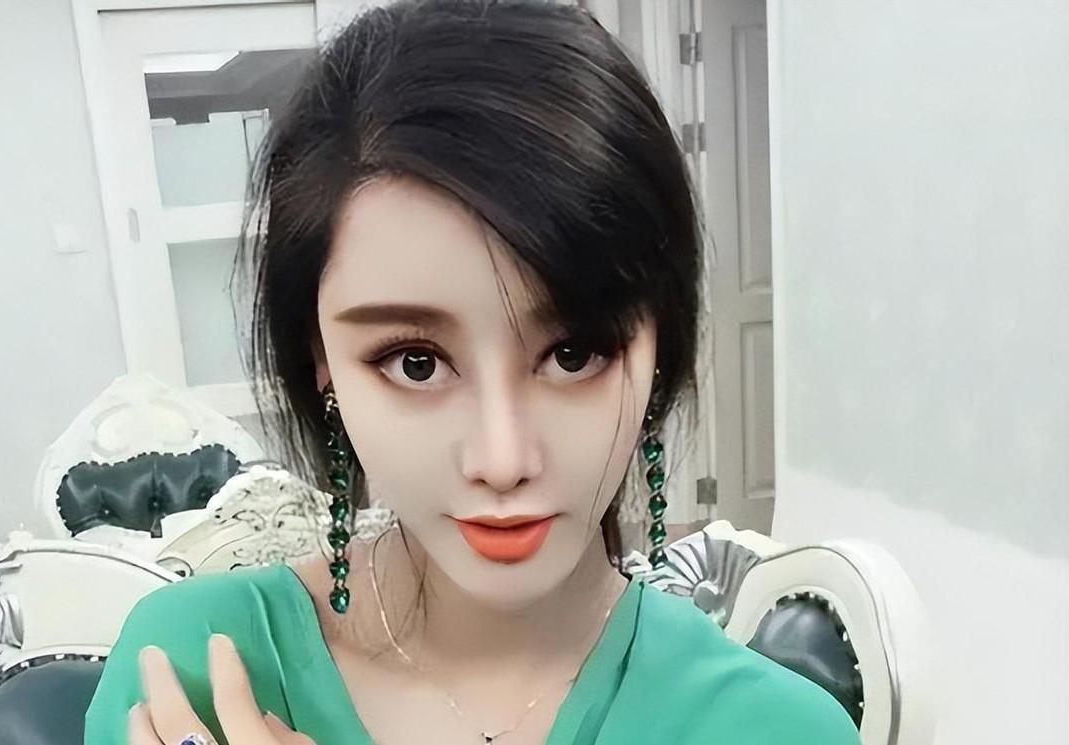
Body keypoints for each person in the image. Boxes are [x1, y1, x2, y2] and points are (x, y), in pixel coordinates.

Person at [84, 1, 860, 743]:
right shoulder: (192, 674)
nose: (502, 458)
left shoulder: (777, 731)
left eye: (573, 353)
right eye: (416, 363)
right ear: (321, 362)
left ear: (662, 348)